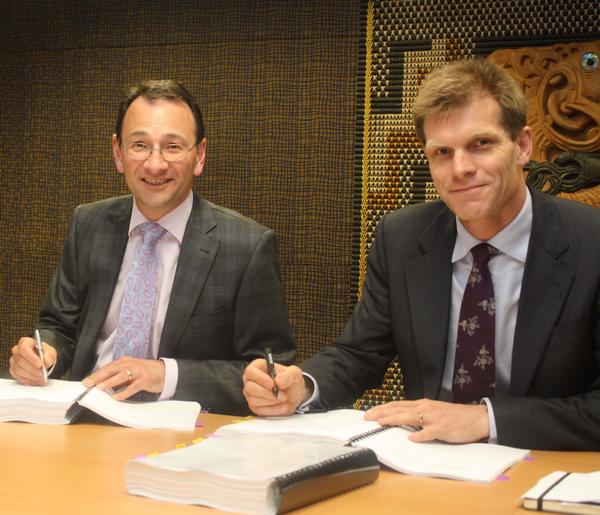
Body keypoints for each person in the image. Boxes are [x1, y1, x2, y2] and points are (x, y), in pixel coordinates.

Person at [242, 59, 600, 450]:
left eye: (481, 144)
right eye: (442, 152)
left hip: (545, 466)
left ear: (523, 146)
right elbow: (360, 353)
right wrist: (303, 386)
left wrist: (485, 419)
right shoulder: (402, 237)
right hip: (427, 464)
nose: (460, 168)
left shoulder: (591, 244)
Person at [10, 79, 295, 415]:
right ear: (118, 153)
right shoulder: (89, 224)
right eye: (140, 145)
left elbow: (270, 375)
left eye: (172, 147)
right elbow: (58, 327)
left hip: (180, 434)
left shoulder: (246, 246)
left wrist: (166, 374)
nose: (155, 164)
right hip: (83, 416)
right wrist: (44, 355)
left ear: (199, 156)